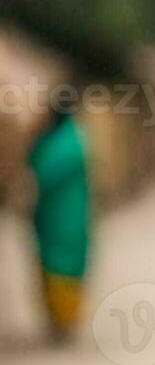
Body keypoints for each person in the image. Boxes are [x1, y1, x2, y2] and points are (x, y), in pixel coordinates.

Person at [28, 108, 90, 344]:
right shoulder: (64, 139)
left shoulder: (67, 143)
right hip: (54, 218)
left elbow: (42, 172)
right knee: (55, 266)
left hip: (66, 218)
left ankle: (64, 322)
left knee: (63, 267)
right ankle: (58, 320)